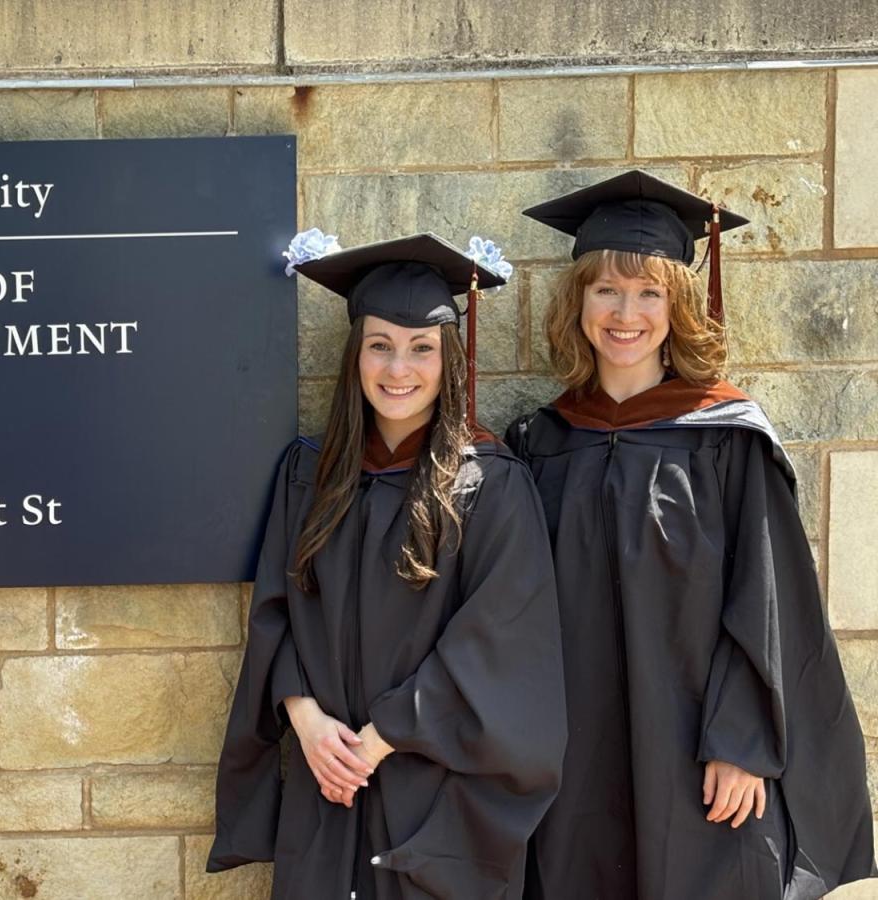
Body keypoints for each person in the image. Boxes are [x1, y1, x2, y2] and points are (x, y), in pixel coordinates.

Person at [509, 170, 874, 900]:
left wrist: (742, 743)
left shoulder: (726, 440)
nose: (626, 313)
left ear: (678, 307)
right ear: (577, 301)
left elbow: (769, 599)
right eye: (607, 289)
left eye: (650, 293)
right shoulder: (543, 444)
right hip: (578, 755)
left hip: (699, 751)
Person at [209, 232, 567, 899]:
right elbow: (275, 612)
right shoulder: (308, 476)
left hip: (437, 795)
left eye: (421, 348)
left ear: (449, 358)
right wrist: (308, 723)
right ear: (355, 357)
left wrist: (379, 741)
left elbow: (500, 643)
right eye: (380, 345)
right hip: (328, 780)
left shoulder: (489, 485)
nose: (398, 368)